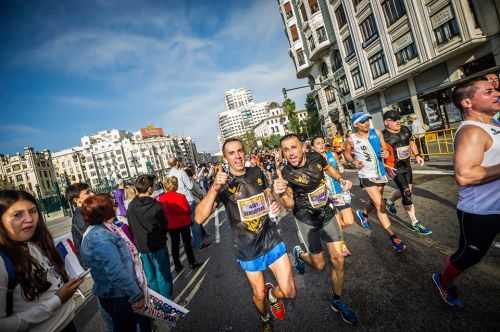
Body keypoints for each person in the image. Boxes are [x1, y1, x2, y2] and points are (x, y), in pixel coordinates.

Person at [195, 138, 296, 332]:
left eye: (240, 151)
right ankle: (265, 317)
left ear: (245, 152)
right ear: (225, 157)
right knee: (258, 295)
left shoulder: (256, 172)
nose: (238, 156)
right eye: (232, 153)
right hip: (248, 248)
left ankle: (273, 295)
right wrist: (214, 188)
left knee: (289, 291)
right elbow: (199, 218)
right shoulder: (222, 184)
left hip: (271, 239)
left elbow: (268, 195)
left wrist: (273, 201)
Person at [276, 134, 358, 326]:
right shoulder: (286, 173)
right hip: (307, 220)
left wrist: (341, 179)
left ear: (303, 147)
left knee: (338, 259)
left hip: (327, 213)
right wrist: (281, 193)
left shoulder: (316, 157)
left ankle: (337, 300)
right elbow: (288, 204)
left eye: (293, 147)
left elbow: (329, 169)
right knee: (320, 265)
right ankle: (299, 254)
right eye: (286, 150)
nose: (290, 153)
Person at [432, 78, 500, 307]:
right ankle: (443, 279)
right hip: (481, 212)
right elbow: (465, 175)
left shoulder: (494, 124)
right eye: (489, 91)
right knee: (469, 256)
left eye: (496, 89)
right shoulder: (471, 131)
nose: (496, 93)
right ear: (467, 102)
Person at [0, 190, 84, 332]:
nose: (29, 219)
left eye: (32, 211)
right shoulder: (2, 261)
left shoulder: (33, 246)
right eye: (17, 214)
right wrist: (57, 301)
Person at [80, 194, 150, 332]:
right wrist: (136, 295)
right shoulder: (100, 237)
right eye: (113, 205)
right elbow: (116, 271)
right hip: (119, 295)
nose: (116, 207)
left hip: (117, 293)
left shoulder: (101, 230)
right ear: (105, 211)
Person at [344, 112, 407, 252]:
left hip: (380, 173)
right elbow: (346, 153)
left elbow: (385, 148)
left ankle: (364, 213)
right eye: (363, 121)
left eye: (367, 120)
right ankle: (394, 238)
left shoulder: (377, 133)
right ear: (356, 125)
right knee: (380, 205)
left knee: (375, 201)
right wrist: (353, 161)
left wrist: (385, 152)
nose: (366, 123)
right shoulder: (351, 139)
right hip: (366, 175)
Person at [382, 110, 432, 236]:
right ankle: (415, 222)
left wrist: (417, 155)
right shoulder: (382, 136)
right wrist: (384, 166)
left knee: (407, 189)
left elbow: (410, 142)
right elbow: (378, 154)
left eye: (399, 118)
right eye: (394, 119)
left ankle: (389, 201)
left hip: (407, 166)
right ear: (386, 122)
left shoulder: (405, 129)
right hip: (394, 168)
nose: (398, 121)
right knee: (407, 193)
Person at [127, 175, 173, 299]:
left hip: (142, 247)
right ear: (149, 189)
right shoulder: (156, 206)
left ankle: (158, 303)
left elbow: (131, 226)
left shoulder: (131, 207)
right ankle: (168, 302)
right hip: (158, 246)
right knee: (163, 275)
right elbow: (164, 225)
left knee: (150, 277)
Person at [311, 136, 354, 256]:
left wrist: (342, 176)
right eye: (318, 143)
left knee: (349, 221)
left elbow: (339, 169)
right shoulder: (311, 162)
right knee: (337, 221)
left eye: (322, 143)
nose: (321, 145)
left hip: (339, 191)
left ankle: (328, 232)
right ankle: (342, 245)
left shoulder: (332, 155)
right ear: (313, 147)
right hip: (325, 196)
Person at [158, 176, 201, 273]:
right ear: (175, 186)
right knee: (187, 243)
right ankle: (192, 262)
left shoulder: (162, 199)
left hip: (171, 225)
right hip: (183, 223)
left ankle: (177, 265)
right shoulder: (181, 197)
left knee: (175, 245)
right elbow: (187, 210)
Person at [65, 183, 94, 260]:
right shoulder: (80, 217)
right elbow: (95, 240)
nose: (92, 194)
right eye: (87, 193)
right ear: (76, 200)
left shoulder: (86, 212)